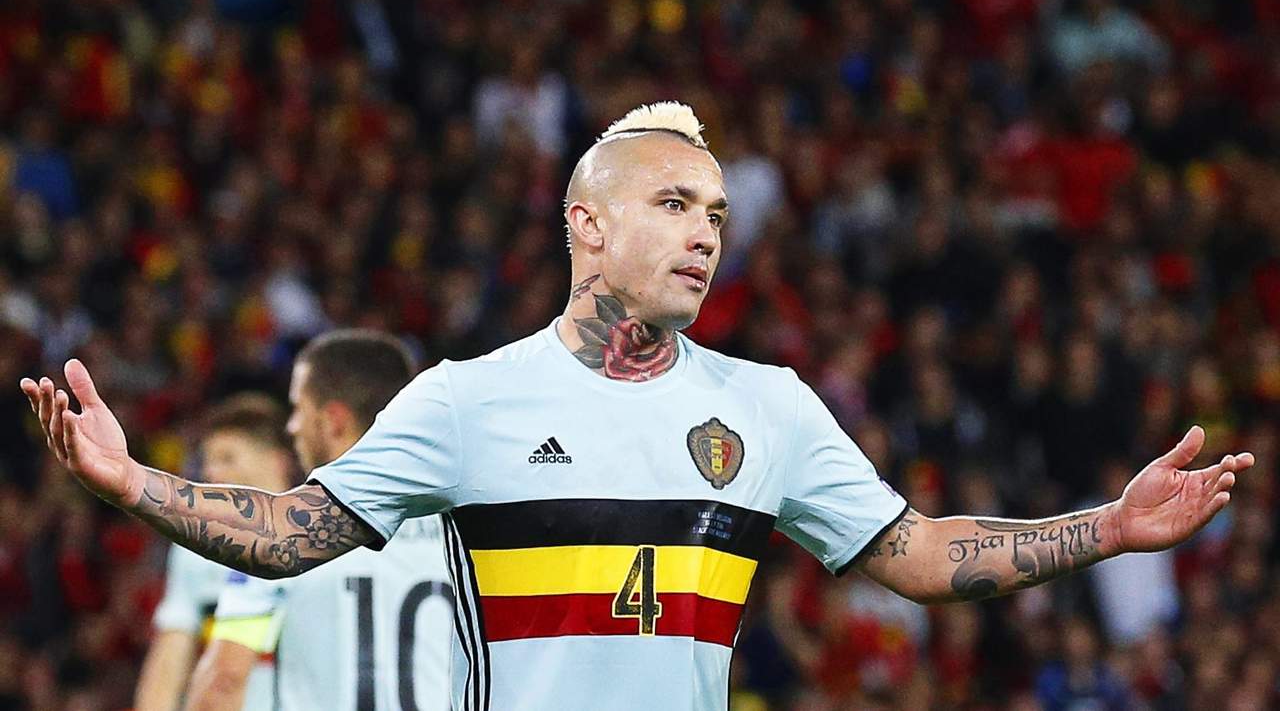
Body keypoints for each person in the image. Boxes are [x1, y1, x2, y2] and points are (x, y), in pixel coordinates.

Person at [21, 103, 1255, 711]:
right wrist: (132, 483)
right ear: (587, 224)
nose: (704, 233)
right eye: (672, 205)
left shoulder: (768, 407)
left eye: (714, 213)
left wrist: (1106, 526)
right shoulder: (465, 400)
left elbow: (921, 555)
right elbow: (294, 530)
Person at [184, 330, 453, 711]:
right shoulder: (460, 527)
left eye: (298, 409)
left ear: (333, 421)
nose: (292, 426)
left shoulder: (281, 533)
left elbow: (224, 679)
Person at [133, 394, 294, 711]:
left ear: (277, 461)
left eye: (227, 458)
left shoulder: (322, 543)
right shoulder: (195, 551)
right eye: (209, 461)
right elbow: (170, 656)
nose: (212, 473)